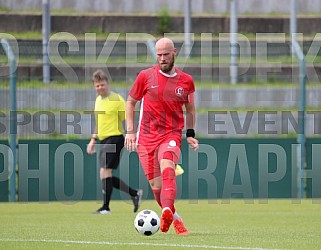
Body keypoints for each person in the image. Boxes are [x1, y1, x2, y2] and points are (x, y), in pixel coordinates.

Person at [125, 38, 199, 235]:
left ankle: (166, 210)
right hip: (146, 138)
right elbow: (130, 102)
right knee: (156, 187)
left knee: (168, 166)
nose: (162, 59)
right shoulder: (145, 77)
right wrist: (131, 131)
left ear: (174, 52)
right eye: (159, 55)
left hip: (171, 135)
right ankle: (176, 219)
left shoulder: (186, 81)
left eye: (166, 54)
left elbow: (190, 109)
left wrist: (190, 134)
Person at [87, 69, 143, 214]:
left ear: (108, 84)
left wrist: (132, 134)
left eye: (102, 84)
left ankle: (106, 207)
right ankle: (134, 193)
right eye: (97, 85)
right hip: (104, 139)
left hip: (115, 138)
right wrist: (93, 140)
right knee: (105, 174)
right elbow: (98, 123)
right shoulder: (98, 101)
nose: (100, 88)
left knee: (105, 171)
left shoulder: (117, 99)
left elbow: (129, 117)